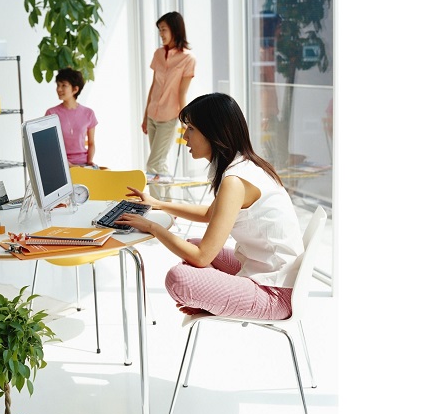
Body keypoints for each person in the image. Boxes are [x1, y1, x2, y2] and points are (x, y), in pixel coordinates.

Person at [117, 93, 304, 319]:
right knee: (191, 243)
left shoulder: (235, 181)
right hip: (270, 272)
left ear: (214, 132)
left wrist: (152, 228)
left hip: (275, 293)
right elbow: (209, 213)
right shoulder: (244, 166)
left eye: (191, 129)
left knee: (178, 278)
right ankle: (217, 296)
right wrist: (157, 203)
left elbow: (202, 257)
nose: (185, 136)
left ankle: (216, 298)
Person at [141, 11, 196, 198]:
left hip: (169, 117)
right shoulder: (158, 54)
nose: (161, 34)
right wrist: (144, 116)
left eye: (164, 29)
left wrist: (185, 119)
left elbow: (182, 92)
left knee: (153, 164)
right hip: (152, 115)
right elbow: (153, 86)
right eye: (159, 30)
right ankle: (169, 206)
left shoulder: (188, 58)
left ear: (175, 29)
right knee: (160, 163)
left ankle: (157, 205)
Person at [45, 67, 99, 168]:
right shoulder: (51, 113)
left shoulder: (89, 113)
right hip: (61, 165)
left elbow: (91, 143)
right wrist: (69, 165)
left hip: (83, 165)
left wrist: (90, 161)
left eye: (63, 85)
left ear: (75, 89)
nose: (59, 89)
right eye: (58, 85)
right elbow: (50, 147)